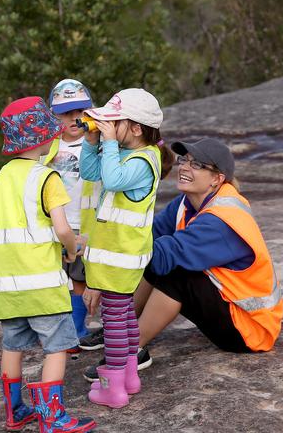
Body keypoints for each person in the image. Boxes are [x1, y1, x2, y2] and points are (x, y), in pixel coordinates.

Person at [0, 96, 96, 432]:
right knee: (58, 346)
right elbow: (62, 228)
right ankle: (52, 417)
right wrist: (72, 248)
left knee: (12, 346)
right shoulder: (47, 178)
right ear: (48, 138)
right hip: (41, 283)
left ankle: (15, 411)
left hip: (5, 285)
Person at [133, 138, 283, 362]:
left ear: (217, 179)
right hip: (227, 307)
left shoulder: (222, 220)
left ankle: (127, 350)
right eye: (184, 160)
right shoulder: (186, 203)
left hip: (249, 329)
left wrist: (109, 248)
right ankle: (118, 331)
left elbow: (161, 257)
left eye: (197, 164)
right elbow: (151, 234)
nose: (183, 167)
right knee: (155, 254)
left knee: (175, 273)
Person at [78, 88, 173, 408]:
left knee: (115, 321)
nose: (106, 128)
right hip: (115, 255)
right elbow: (92, 174)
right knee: (124, 318)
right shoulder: (124, 153)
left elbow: (114, 180)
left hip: (122, 256)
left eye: (113, 123)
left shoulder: (145, 161)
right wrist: (92, 143)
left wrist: (106, 144)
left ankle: (113, 386)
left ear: (135, 128)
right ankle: (130, 376)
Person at [44, 79, 95, 351]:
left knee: (79, 280)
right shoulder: (48, 147)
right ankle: (55, 331)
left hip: (82, 224)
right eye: (66, 113)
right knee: (54, 279)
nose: (75, 118)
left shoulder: (95, 143)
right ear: (54, 116)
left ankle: (76, 332)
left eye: (80, 111)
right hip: (54, 223)